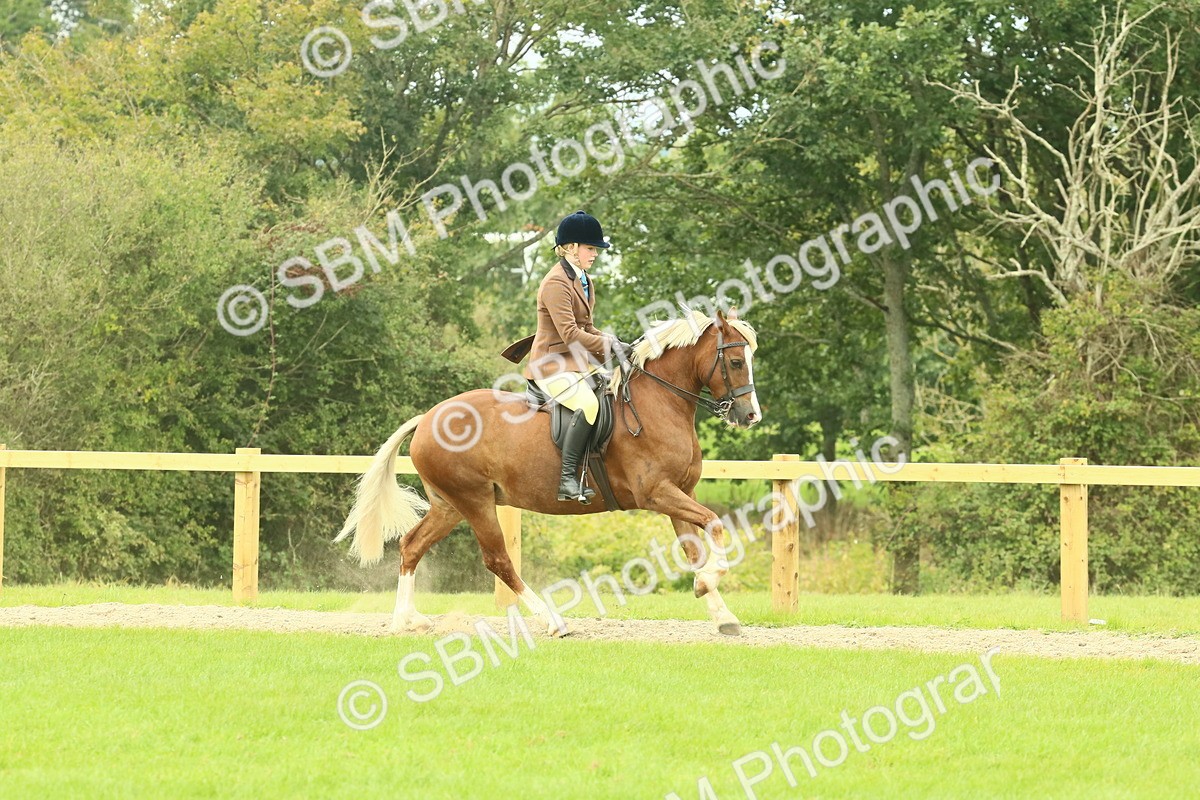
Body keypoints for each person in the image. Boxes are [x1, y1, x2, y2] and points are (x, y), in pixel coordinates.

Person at [523, 210, 621, 503]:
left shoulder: (584, 279)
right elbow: (570, 334)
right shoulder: (556, 283)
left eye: (596, 249)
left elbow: (588, 327)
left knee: (610, 392)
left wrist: (615, 342)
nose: (595, 254)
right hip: (550, 365)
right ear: (571, 247)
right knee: (588, 404)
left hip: (575, 363)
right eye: (591, 248)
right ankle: (567, 480)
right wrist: (610, 346)